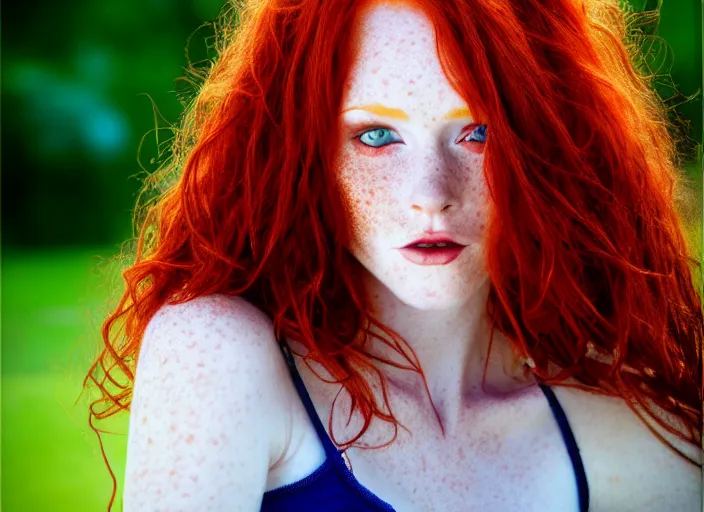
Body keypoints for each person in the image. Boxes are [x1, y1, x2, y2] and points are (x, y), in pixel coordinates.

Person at [83, 0, 702, 510]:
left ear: (550, 138)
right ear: (303, 151)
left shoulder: (637, 422)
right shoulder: (217, 356)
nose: (431, 196)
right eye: (375, 136)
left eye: (478, 132)